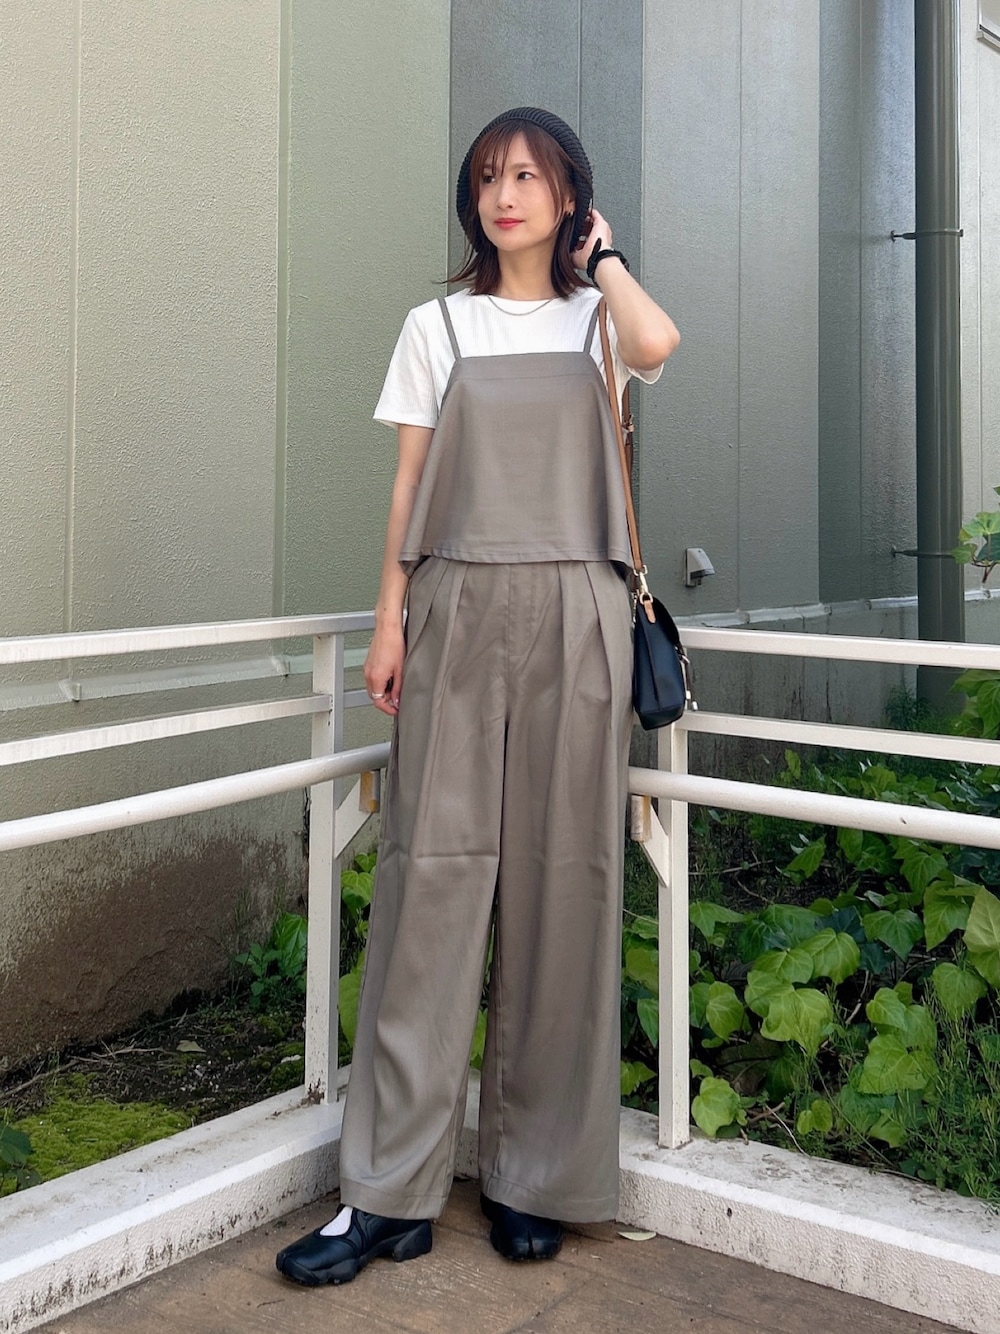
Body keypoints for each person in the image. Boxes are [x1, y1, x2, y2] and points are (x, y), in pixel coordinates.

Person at [276, 106, 679, 1287]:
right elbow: (408, 485)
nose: (505, 195)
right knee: (427, 887)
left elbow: (659, 339)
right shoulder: (435, 324)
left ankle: (532, 1177)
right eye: (489, 176)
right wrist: (388, 615)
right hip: (454, 603)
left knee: (568, 885)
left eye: (529, 177)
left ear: (569, 198)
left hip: (579, 612)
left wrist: (606, 258)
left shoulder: (600, 321)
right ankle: (384, 1192)